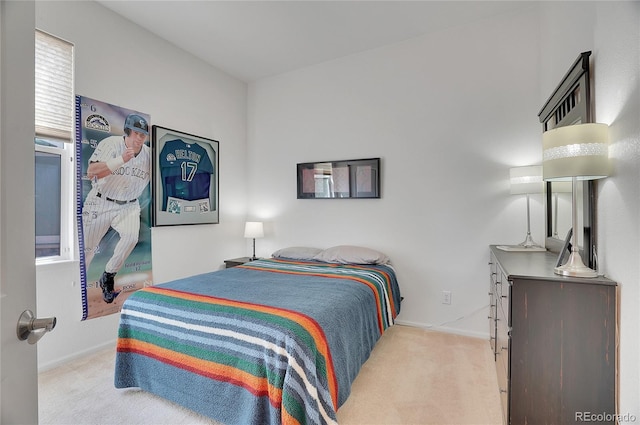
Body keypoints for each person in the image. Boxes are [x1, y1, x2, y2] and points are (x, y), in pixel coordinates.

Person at [82, 114, 151, 303]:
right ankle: (76, 289)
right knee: (87, 250)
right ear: (128, 132)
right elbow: (91, 172)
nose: (139, 138)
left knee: (131, 237)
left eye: (143, 135)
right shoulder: (111, 144)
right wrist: (120, 160)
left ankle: (108, 275)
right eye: (136, 133)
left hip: (129, 205)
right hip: (100, 201)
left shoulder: (148, 155)